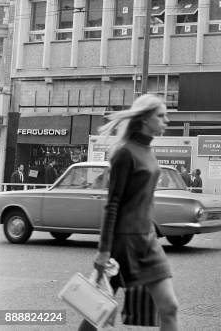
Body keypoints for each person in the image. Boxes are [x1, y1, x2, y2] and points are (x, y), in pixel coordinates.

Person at [79, 94, 179, 331]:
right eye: (161, 116)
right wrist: (103, 251)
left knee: (169, 307)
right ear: (145, 118)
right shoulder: (125, 153)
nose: (166, 121)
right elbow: (112, 204)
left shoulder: (148, 150)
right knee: (97, 308)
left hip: (148, 240)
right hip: (125, 244)